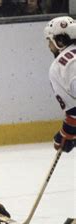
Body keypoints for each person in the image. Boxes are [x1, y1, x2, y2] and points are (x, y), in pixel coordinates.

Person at [44, 16, 76, 154]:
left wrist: (65, 135)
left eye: (50, 41)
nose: (49, 46)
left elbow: (74, 113)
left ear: (60, 41)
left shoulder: (60, 65)